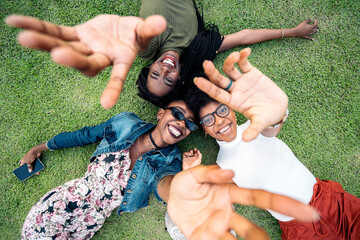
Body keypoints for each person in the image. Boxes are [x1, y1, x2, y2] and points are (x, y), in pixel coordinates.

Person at [18, 99, 318, 240]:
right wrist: (38, 149)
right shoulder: (124, 124)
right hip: (55, 208)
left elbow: (168, 187)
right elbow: (83, 135)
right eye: (176, 114)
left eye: (188, 123)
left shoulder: (170, 161)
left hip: (88, 225)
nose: (181, 123)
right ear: (161, 113)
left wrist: (187, 177)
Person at [178, 48, 360, 239]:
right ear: (205, 131)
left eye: (222, 110)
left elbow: (271, 125)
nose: (219, 121)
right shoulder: (224, 165)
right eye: (208, 120)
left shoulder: (254, 126)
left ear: (232, 110)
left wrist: (277, 113)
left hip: (331, 200)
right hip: (302, 229)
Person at [5, 1, 318, 108]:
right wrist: (292, 31)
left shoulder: (148, 48)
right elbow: (244, 37)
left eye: (155, 73)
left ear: (149, 65)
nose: (164, 69)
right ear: (180, 77)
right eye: (168, 78)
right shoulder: (199, 48)